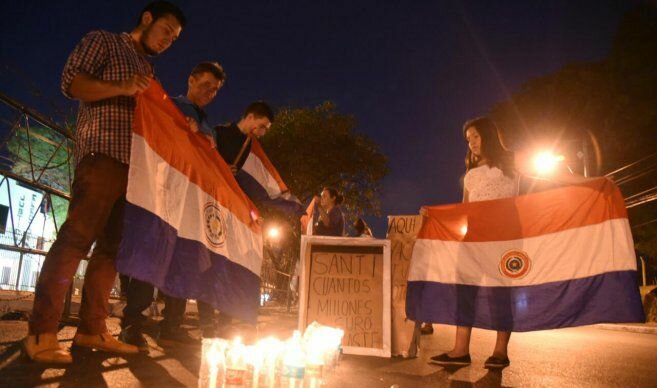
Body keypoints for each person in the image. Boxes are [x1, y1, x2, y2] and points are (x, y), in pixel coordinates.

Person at [24, 1, 186, 364]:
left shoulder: (149, 71)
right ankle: (42, 332)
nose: (168, 42)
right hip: (102, 157)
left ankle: (92, 329)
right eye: (166, 32)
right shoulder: (104, 42)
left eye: (174, 40)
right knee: (77, 239)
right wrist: (123, 86)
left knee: (112, 250)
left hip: (136, 171)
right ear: (147, 19)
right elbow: (72, 83)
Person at [430, 117, 518, 369]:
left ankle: (500, 351)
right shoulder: (470, 176)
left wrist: (592, 183)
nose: (472, 143)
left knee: (500, 294)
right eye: (468, 139)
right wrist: (435, 214)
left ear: (489, 134)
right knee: (465, 292)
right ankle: (460, 351)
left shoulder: (512, 162)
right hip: (473, 240)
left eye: (476, 136)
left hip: (503, 239)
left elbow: (557, 177)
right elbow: (464, 211)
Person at [153, 61, 225, 346]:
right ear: (191, 79)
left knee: (185, 260)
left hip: (197, 201)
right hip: (171, 194)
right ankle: (144, 321)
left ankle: (172, 323)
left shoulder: (208, 125)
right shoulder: (171, 107)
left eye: (215, 90)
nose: (210, 92)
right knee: (167, 257)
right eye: (206, 84)